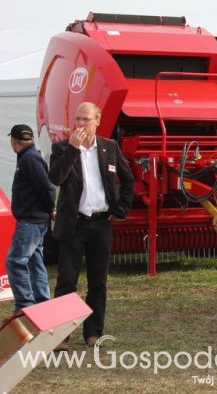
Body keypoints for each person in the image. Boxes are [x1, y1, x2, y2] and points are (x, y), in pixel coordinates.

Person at [49, 102, 134, 349]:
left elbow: (128, 180)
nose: (81, 124)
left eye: (86, 119)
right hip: (73, 224)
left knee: (98, 280)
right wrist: (73, 150)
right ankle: (62, 336)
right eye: (77, 119)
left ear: (97, 120)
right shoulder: (62, 148)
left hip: (100, 223)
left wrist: (120, 210)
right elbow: (56, 178)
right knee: (67, 280)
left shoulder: (109, 147)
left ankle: (93, 332)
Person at [5, 124, 55, 313]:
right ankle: (42, 302)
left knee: (15, 261)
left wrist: (51, 208)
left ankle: (25, 306)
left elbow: (46, 187)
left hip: (31, 220)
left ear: (14, 142)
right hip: (36, 219)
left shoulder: (29, 159)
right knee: (35, 261)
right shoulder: (31, 157)